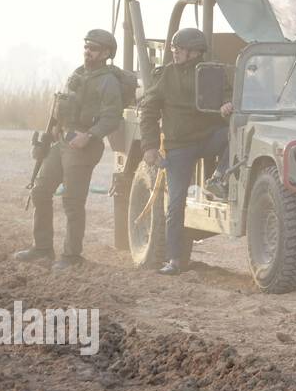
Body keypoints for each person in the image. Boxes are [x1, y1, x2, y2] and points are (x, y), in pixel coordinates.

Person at [14, 30, 123, 271]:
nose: (88, 51)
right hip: (63, 140)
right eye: (86, 47)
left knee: (72, 201)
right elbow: (63, 104)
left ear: (106, 53)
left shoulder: (108, 82)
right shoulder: (78, 74)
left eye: (94, 48)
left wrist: (91, 135)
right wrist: (54, 128)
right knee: (40, 191)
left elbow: (112, 117)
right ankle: (42, 248)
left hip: (85, 144)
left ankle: (72, 255)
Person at [139, 28, 233, 275]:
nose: (175, 53)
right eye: (174, 48)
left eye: (179, 49)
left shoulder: (213, 73)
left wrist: (228, 104)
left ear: (194, 52)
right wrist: (149, 146)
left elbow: (228, 95)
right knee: (176, 203)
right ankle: (174, 261)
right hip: (178, 146)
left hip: (207, 138)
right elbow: (148, 110)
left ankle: (218, 179)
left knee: (236, 133)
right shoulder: (165, 76)